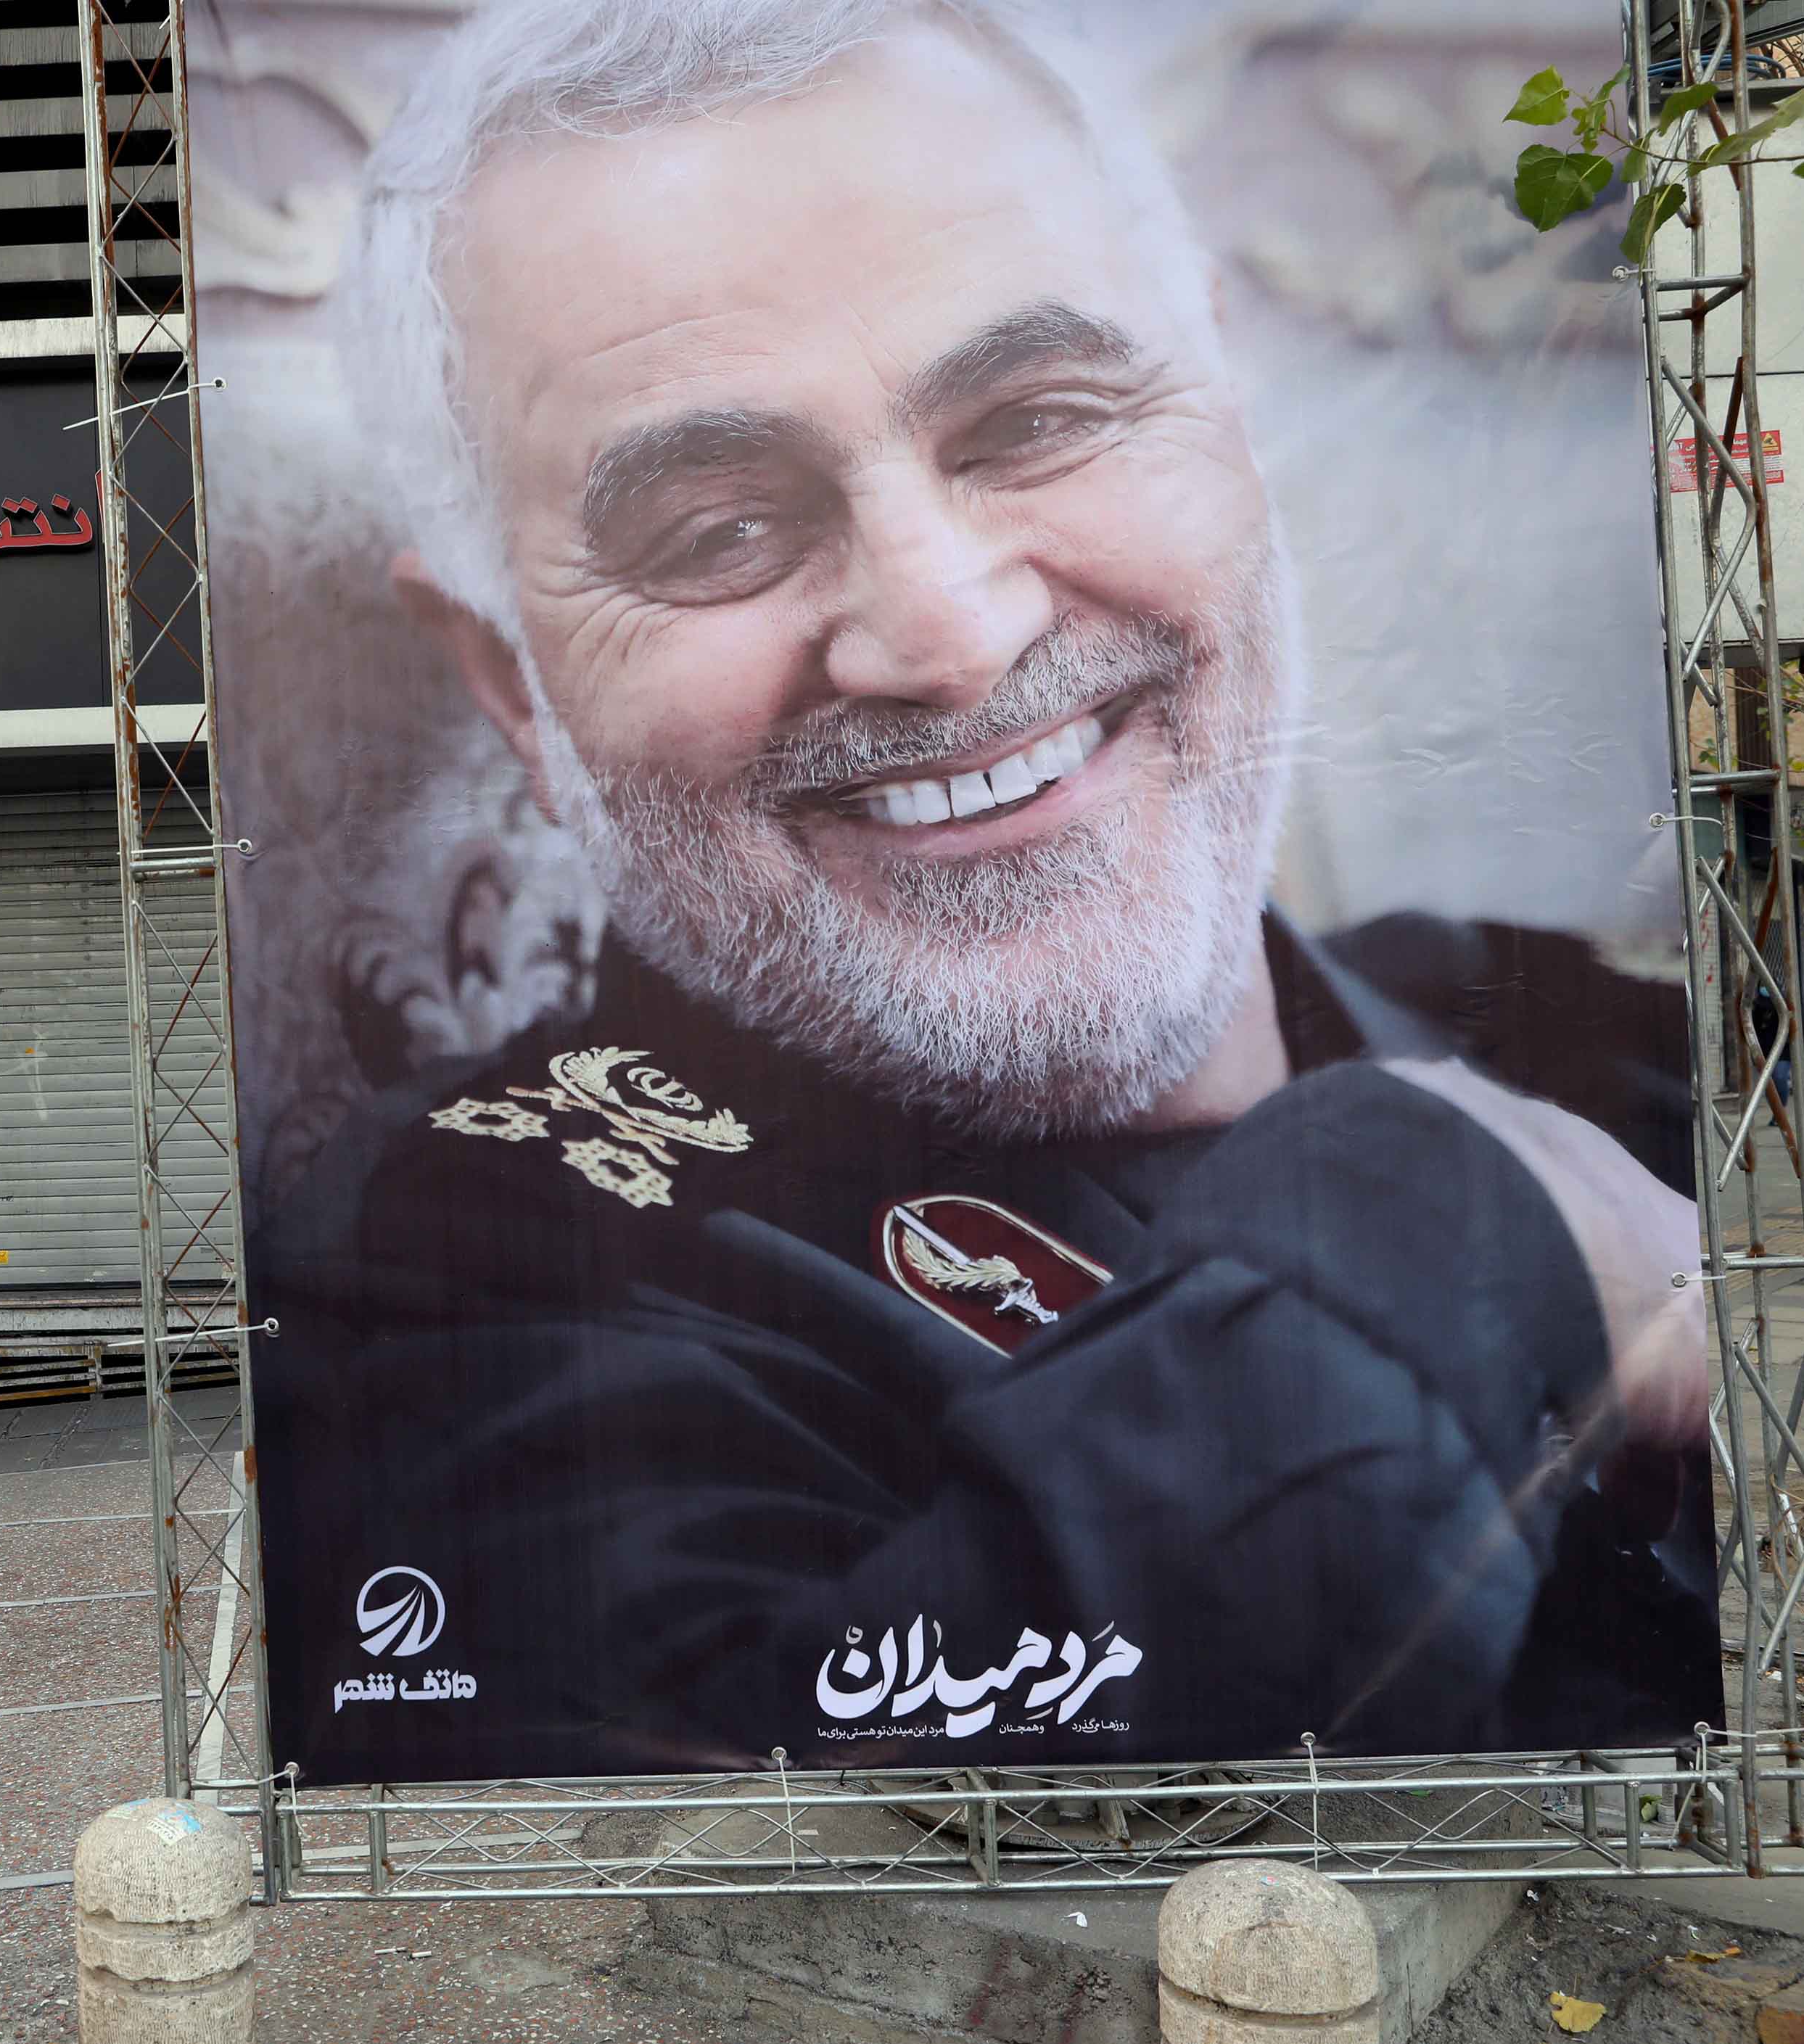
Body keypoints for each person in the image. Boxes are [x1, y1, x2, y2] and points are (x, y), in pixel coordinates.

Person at [252, 0, 1723, 1781]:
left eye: (1033, 418)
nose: (948, 631)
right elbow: (761, 1854)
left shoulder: (1596, 1027)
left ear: (1229, 438)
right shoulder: (452, 1287)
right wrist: (1456, 1245)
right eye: (715, 529)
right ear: (507, 679)